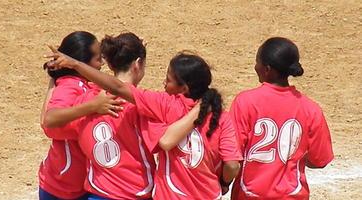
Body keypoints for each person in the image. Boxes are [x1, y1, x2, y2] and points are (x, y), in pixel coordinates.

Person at [45, 46, 243, 199]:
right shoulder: (223, 118)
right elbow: (232, 165)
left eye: (168, 80)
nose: (164, 84)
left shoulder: (164, 104)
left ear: (183, 88)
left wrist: (76, 65)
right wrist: (224, 182)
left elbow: (118, 87)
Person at [229, 37, 334, 199]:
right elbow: (319, 160)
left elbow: (233, 156)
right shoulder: (310, 108)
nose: (255, 66)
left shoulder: (245, 102)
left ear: (267, 69)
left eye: (257, 62)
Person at [39, 31, 120, 200]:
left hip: (74, 184)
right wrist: (92, 106)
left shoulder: (80, 84)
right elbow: (49, 120)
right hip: (62, 188)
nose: (102, 63)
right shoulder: (69, 86)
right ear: (81, 62)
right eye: (98, 59)